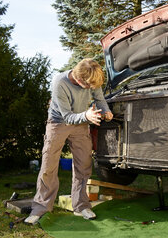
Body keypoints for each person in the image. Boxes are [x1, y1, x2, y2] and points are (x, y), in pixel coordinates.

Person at [25, 58, 113, 225]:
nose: (90, 89)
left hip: (81, 124)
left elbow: (99, 99)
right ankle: (41, 208)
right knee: (48, 165)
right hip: (59, 123)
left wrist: (106, 111)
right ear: (78, 79)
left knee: (84, 164)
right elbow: (67, 116)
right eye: (88, 86)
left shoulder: (91, 78)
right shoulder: (60, 82)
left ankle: (81, 206)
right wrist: (87, 116)